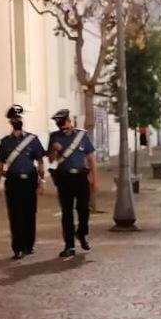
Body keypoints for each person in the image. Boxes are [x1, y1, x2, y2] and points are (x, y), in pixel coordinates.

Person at [0, 105, 46, 260]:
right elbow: (0, 164)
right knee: (15, 215)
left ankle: (29, 245)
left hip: (30, 181)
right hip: (13, 182)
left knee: (30, 214)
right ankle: (17, 248)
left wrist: (42, 181)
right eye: (15, 118)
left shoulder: (33, 139)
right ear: (11, 121)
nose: (18, 120)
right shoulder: (5, 142)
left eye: (19, 117)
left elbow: (40, 161)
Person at [47, 109, 98, 259]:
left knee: (83, 209)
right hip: (64, 179)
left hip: (81, 177)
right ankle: (69, 245)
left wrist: (95, 178)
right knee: (67, 212)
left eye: (66, 124)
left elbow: (90, 158)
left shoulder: (82, 135)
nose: (64, 129)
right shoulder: (54, 137)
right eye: (61, 127)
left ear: (70, 121)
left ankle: (82, 234)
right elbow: (50, 160)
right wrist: (54, 150)